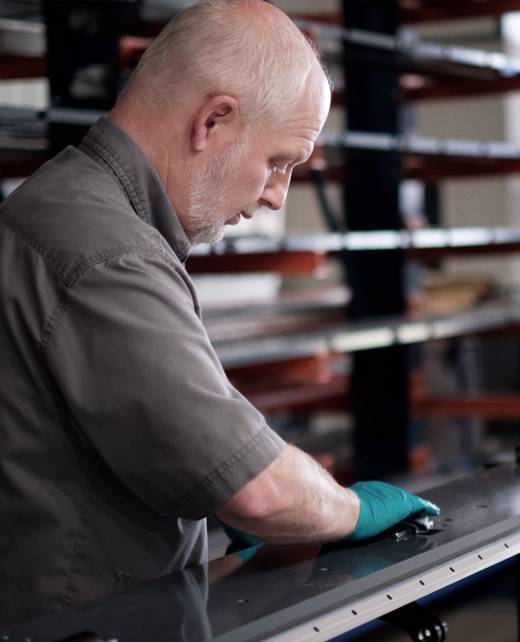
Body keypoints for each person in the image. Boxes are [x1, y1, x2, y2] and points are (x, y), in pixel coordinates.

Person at [0, 0, 439, 626]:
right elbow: (256, 490)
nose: (275, 195)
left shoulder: (76, 210)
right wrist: (351, 509)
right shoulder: (105, 252)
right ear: (213, 121)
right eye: (280, 162)